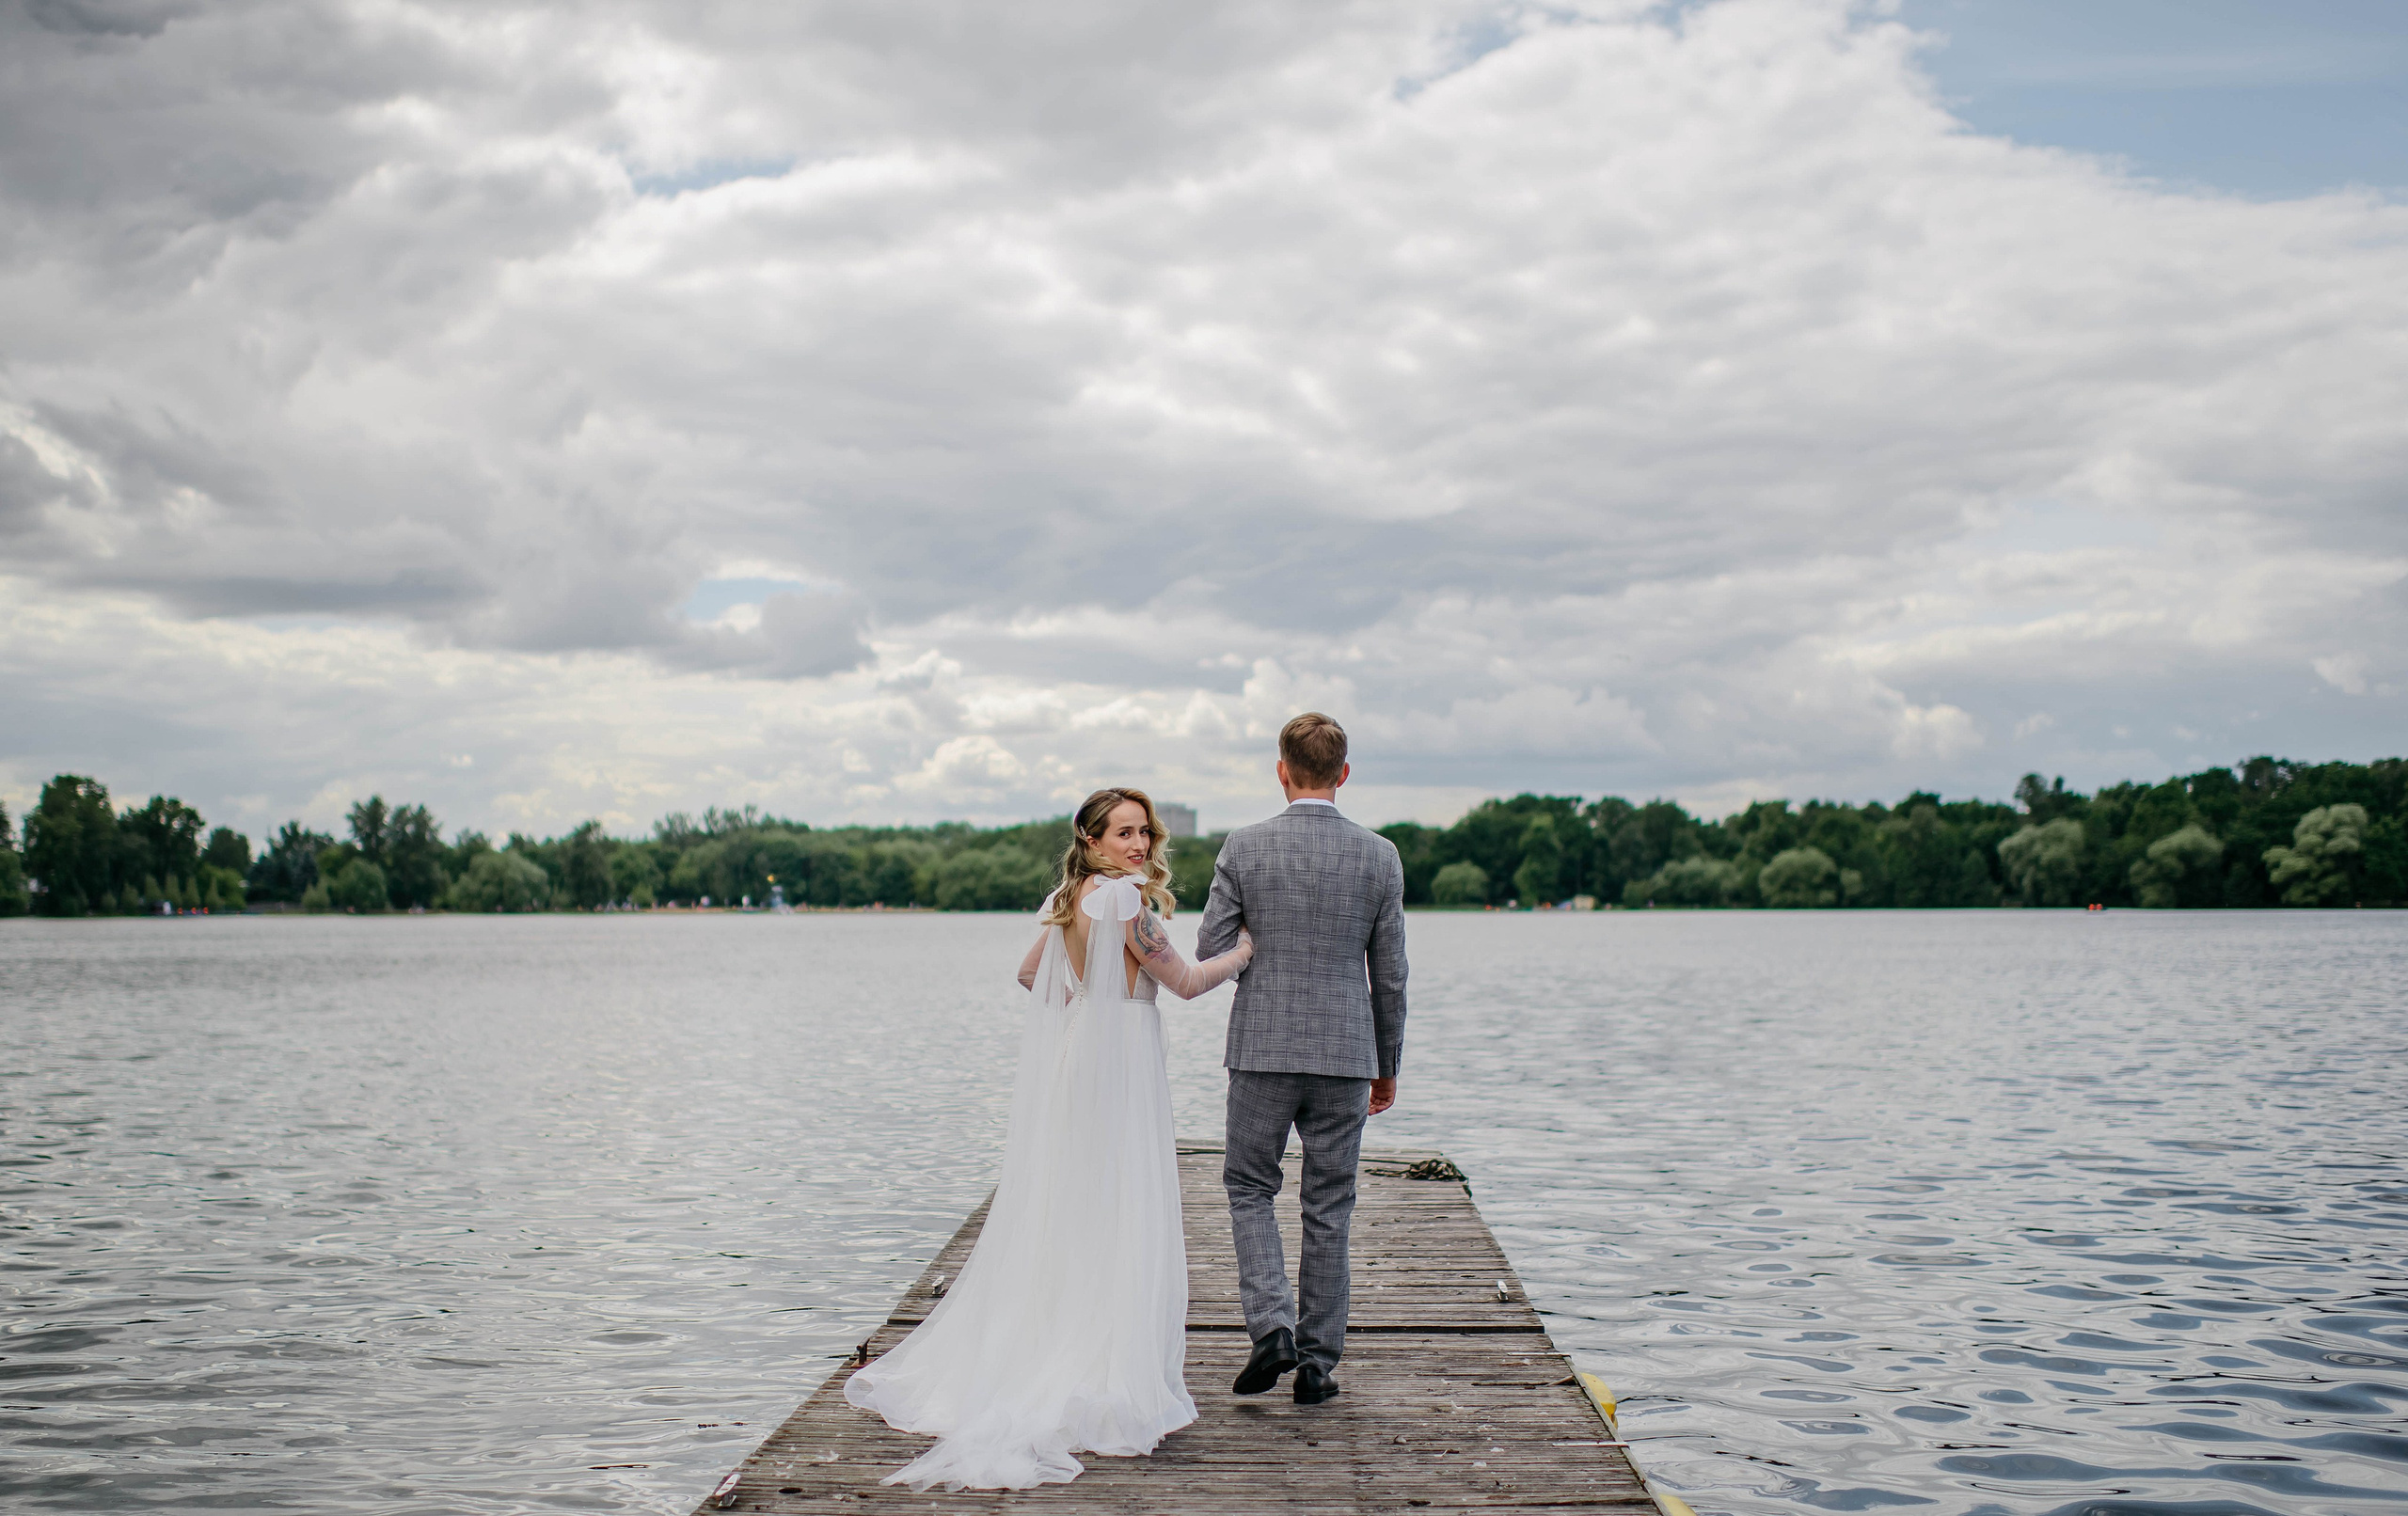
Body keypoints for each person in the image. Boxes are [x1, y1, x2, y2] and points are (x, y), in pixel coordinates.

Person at [843, 786, 1253, 1491]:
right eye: (1124, 834)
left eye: (1144, 834)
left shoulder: (1071, 899)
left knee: (1071, 1206)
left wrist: (1081, 1007)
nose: (1139, 846)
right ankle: (1097, 1366)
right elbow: (1183, 982)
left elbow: (1032, 972)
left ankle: (1054, 1345)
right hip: (1121, 1060)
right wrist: (1244, 954)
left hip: (1076, 1059)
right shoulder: (1125, 903)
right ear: (1091, 840)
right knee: (1117, 1205)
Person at [1197, 711, 1408, 1406]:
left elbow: (1210, 951)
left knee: (1250, 1187)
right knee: (1330, 1203)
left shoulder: (1245, 847)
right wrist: (1388, 1062)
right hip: (1348, 1052)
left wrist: (1261, 934)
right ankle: (1318, 1364)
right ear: (1343, 773)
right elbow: (1393, 974)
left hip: (1262, 1046)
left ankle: (1271, 1328)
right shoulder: (1380, 856)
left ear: (1281, 770)